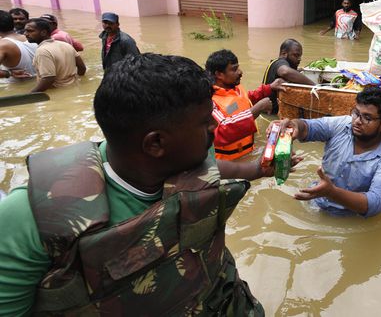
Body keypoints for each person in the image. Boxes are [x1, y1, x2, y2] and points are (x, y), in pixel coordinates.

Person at [0, 53, 265, 315]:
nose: (214, 127)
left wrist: (259, 168)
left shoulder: (192, 157)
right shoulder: (29, 217)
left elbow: (215, 168)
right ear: (156, 143)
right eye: (204, 121)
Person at [280, 87, 381, 217]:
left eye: (367, 118)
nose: (357, 121)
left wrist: (331, 192)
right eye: (356, 113)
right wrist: (294, 127)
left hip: (350, 219)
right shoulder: (341, 125)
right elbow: (307, 128)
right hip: (315, 202)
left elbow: (375, 204)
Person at [207, 49, 285, 161]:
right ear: (219, 74)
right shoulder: (209, 101)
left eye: (238, 67)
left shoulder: (235, 88)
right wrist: (257, 109)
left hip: (249, 154)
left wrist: (269, 88)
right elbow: (222, 131)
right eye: (234, 69)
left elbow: (242, 103)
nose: (240, 72)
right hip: (228, 164)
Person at [24, 18, 86, 92]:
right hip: (74, 88)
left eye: (30, 31)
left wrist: (30, 94)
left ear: (43, 32)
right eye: (25, 31)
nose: (25, 34)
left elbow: (48, 79)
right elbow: (82, 68)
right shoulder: (66, 45)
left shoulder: (42, 51)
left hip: (58, 93)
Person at [262, 39, 315, 114]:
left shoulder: (275, 63)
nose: (299, 59)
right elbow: (285, 72)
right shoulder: (280, 62)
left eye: (300, 56)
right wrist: (315, 86)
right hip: (272, 114)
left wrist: (297, 71)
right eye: (296, 55)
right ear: (284, 54)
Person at [0, 10, 37, 81]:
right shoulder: (32, 38)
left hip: (13, 88)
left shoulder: (2, 45)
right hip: (37, 83)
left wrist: (9, 73)